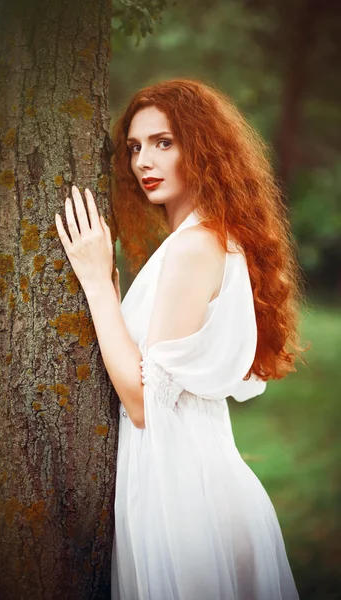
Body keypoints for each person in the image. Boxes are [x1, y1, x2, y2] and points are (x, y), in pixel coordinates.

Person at [55, 77, 308, 599]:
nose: (143, 161)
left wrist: (96, 283)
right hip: (186, 481)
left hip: (185, 499)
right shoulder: (204, 239)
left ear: (202, 147)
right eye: (134, 147)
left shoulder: (195, 245)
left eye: (163, 143)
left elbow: (146, 402)